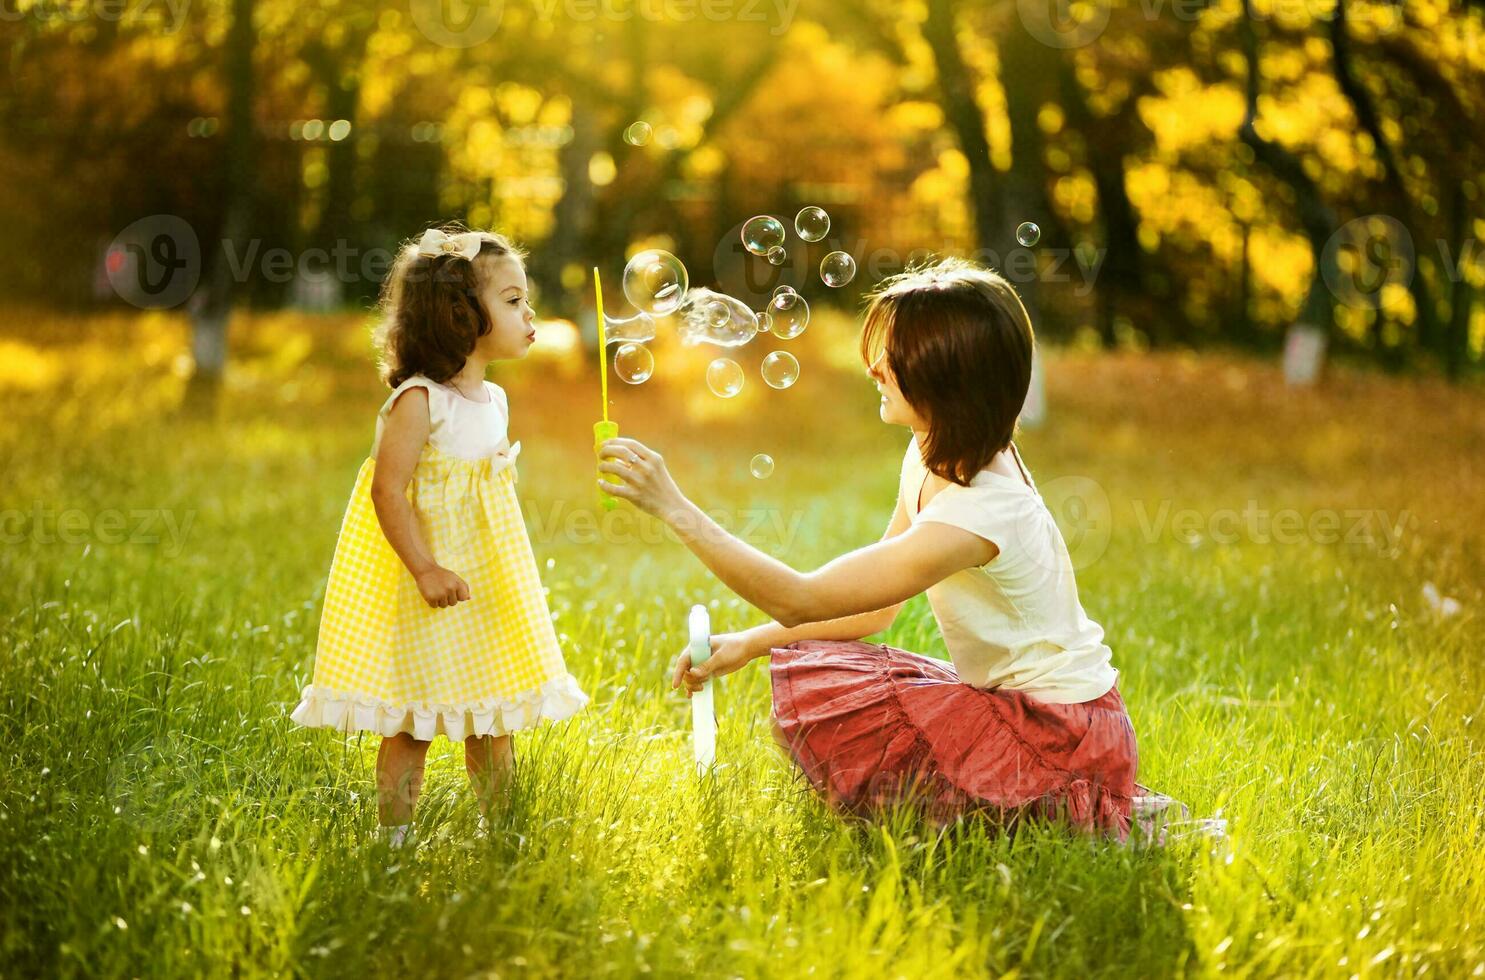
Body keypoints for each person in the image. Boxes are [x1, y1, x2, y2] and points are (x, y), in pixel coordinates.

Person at [598, 258, 1140, 838]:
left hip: (1060, 733)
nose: (875, 368)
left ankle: (1058, 812)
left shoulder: (981, 510)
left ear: (946, 379)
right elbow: (873, 610)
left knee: (864, 752)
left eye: (895, 357)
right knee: (817, 683)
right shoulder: (934, 451)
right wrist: (751, 643)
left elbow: (801, 600)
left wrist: (674, 508)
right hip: (1018, 702)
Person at [291, 225, 587, 847]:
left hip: (484, 586)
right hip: (428, 585)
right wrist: (425, 567)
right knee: (412, 725)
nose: (529, 313)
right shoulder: (420, 400)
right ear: (459, 314)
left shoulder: (495, 400)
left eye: (524, 300)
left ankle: (499, 833)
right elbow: (386, 490)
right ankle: (395, 842)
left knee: (492, 718)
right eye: (511, 301)